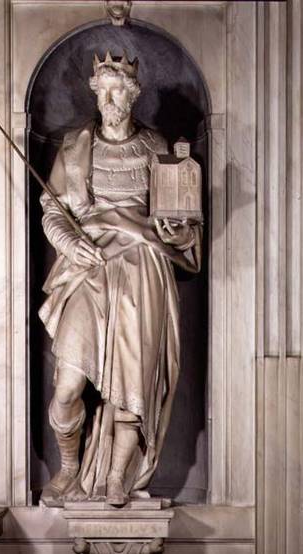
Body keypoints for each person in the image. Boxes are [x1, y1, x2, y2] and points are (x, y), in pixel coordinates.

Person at [39, 51, 202, 505]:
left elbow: (179, 216)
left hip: (142, 270)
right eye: (104, 89)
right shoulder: (74, 146)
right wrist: (70, 244)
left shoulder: (157, 148)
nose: (110, 98)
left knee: (133, 384)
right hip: (88, 270)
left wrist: (177, 228)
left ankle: (117, 477)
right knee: (68, 384)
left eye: (119, 90)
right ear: (95, 92)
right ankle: (69, 469)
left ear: (133, 95)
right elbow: (53, 210)